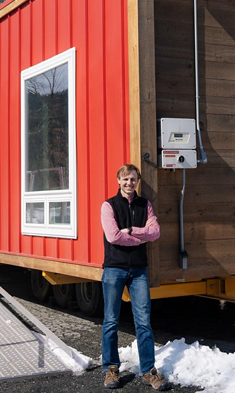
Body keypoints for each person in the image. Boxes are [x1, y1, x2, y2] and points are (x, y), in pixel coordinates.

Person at [100, 164, 170, 391]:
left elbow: (155, 232)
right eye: (125, 179)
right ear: (118, 180)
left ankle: (149, 371)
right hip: (114, 268)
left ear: (137, 181)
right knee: (111, 321)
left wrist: (131, 232)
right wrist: (140, 237)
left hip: (139, 270)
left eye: (133, 179)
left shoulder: (145, 204)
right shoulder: (108, 206)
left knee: (144, 322)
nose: (129, 183)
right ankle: (111, 369)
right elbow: (112, 236)